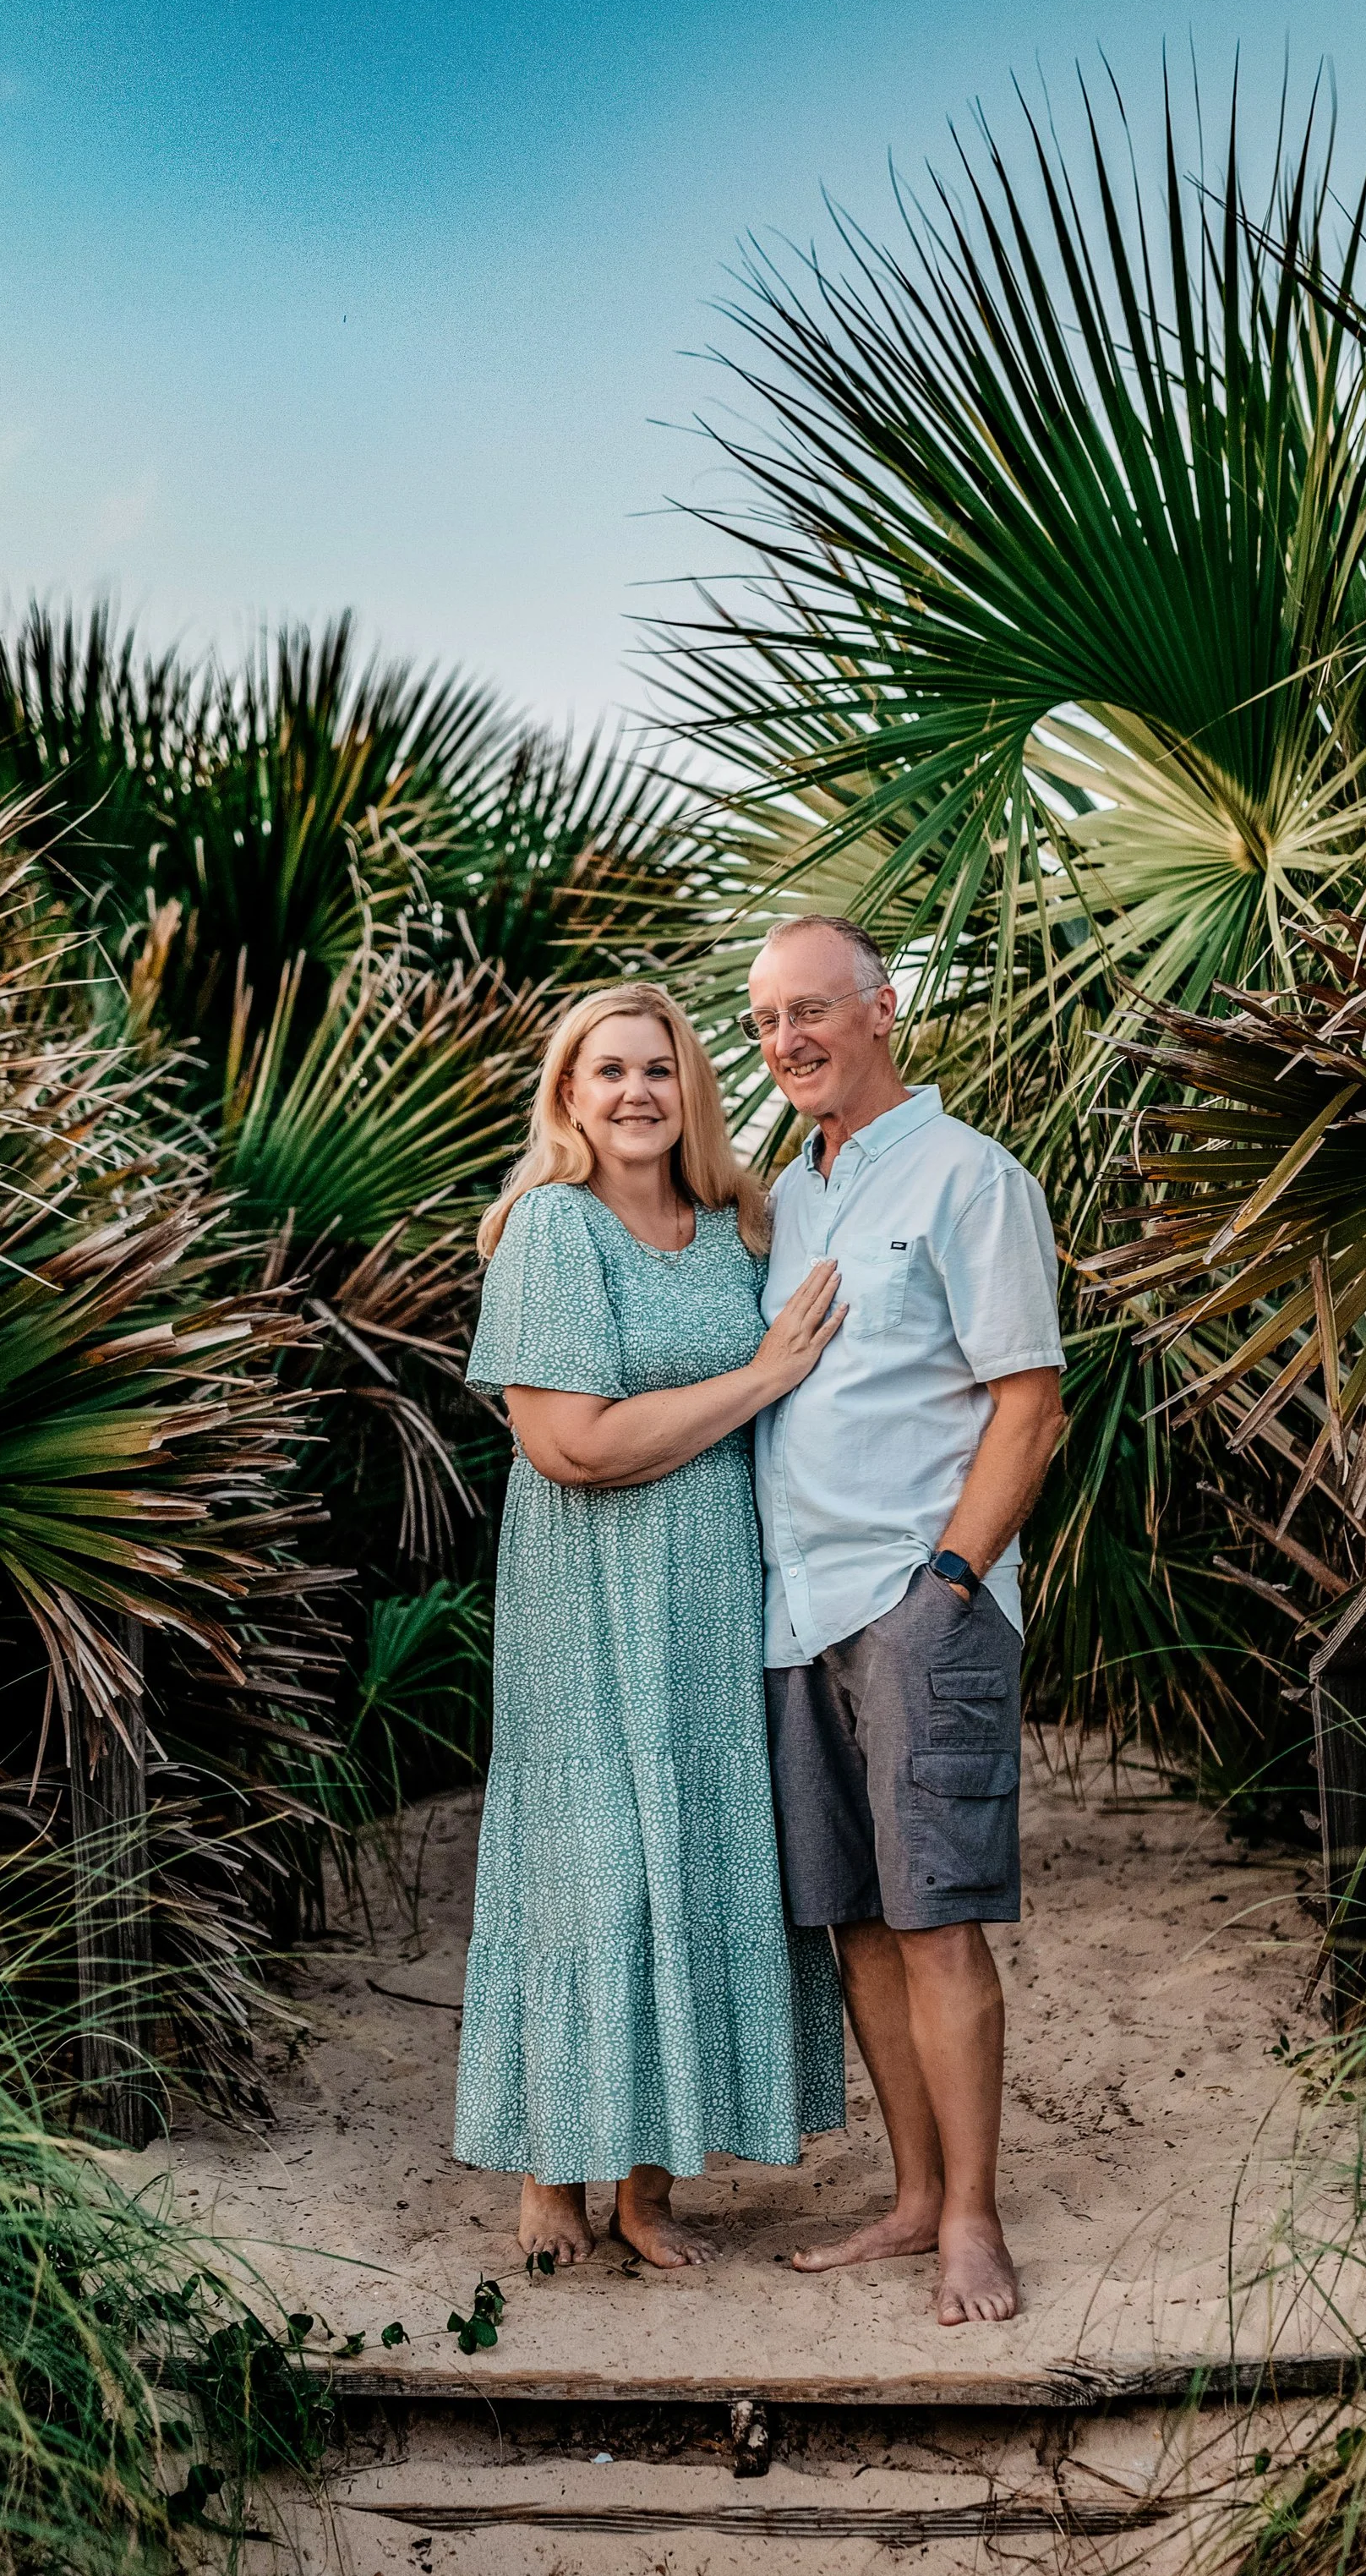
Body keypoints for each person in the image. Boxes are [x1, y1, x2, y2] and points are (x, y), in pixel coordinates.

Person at [456, 982, 849, 2268]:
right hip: (586, 1595)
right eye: (606, 1069)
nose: (635, 1091)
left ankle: (646, 2179)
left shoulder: (740, 1228)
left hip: (711, 1597)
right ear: (567, 1093)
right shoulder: (550, 1231)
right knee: (590, 1861)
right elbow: (572, 1445)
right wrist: (758, 1378)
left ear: (693, 1090)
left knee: (685, 1854)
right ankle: (551, 2172)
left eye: (659, 1069)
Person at [749, 915, 1067, 2325]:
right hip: (796, 1610)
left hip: (914, 1600)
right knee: (859, 1926)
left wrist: (948, 1584)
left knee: (935, 1922)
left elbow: (1029, 1402)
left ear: (885, 1010)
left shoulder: (969, 1177)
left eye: (812, 1010)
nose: (787, 1040)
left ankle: (978, 2222)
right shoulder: (791, 1193)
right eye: (764, 1021)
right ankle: (916, 2194)